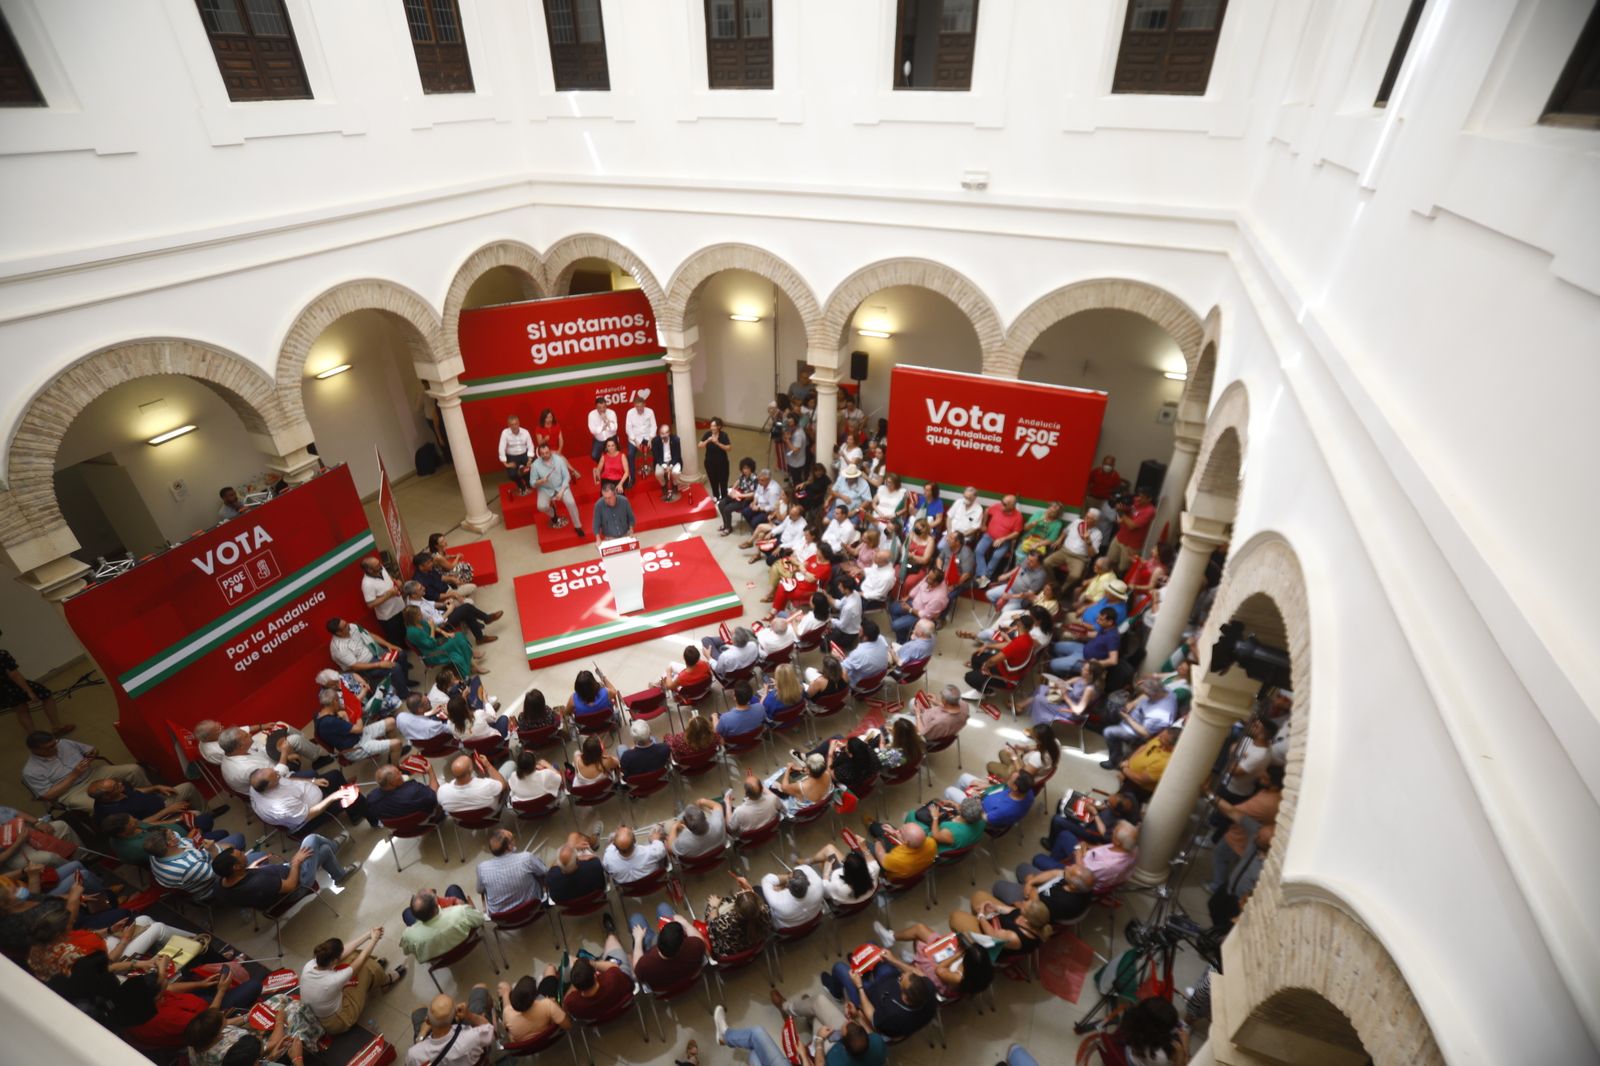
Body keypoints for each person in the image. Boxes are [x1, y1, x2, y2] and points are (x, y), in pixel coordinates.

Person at [210, 834, 358, 909]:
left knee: (324, 850)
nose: (244, 853)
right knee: (312, 839)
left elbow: (242, 883)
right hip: (298, 885)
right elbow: (290, 886)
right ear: (236, 867)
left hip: (276, 883)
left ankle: (339, 874)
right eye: (240, 855)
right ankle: (334, 845)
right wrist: (296, 862)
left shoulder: (221, 883)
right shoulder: (259, 883)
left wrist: (251, 868)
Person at [819, 949, 938, 1040]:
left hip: (867, 998)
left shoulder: (891, 1017)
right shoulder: (927, 988)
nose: (901, 975)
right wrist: (893, 960)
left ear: (904, 997)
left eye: (901, 979)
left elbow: (871, 1015)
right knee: (875, 951)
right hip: (886, 984)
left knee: (839, 967)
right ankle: (862, 968)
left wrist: (859, 986)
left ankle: (835, 992)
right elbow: (917, 973)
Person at [301, 929, 402, 1035]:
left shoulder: (310, 965)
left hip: (316, 1014)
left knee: (352, 955)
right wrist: (374, 940)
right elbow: (361, 960)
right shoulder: (332, 981)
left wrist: (369, 934)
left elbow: (345, 952)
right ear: (334, 961)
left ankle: (377, 974)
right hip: (338, 1021)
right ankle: (385, 981)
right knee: (365, 966)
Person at [22, 733, 150, 812]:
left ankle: (150, 797)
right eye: (48, 748)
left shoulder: (64, 743)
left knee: (134, 770)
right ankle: (128, 820)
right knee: (97, 805)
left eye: (54, 744)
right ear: (34, 750)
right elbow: (48, 796)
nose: (55, 748)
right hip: (71, 792)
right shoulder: (31, 771)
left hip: (94, 774)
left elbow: (93, 750)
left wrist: (92, 755)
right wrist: (74, 775)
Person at [868, 921, 995, 1000]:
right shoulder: (983, 967)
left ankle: (914, 961)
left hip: (940, 980)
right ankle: (891, 937)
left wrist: (959, 954)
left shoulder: (958, 977)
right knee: (919, 929)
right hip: (949, 967)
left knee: (920, 943)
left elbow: (939, 970)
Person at [1207, 765, 1284, 894]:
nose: (1260, 777)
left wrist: (1208, 794)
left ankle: (1218, 887)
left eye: (1265, 778)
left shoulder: (1267, 801)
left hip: (1238, 838)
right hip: (1246, 837)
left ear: (1275, 786)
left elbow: (1233, 812)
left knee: (1220, 858)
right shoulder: (1275, 795)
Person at [145, 826, 259, 900]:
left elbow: (186, 841)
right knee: (259, 856)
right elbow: (220, 871)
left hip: (204, 858)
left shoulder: (156, 852)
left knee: (238, 838)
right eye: (172, 834)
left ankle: (244, 866)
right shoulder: (188, 867)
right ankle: (245, 884)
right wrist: (215, 850)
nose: (175, 834)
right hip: (212, 883)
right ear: (170, 843)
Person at [250, 766, 372, 832]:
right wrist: (333, 796)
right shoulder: (280, 806)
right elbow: (308, 815)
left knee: (335, 775)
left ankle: (354, 813)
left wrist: (312, 781)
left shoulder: (257, 785)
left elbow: (287, 779)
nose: (278, 773)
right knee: (350, 795)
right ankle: (374, 818)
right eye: (276, 775)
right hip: (311, 816)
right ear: (269, 786)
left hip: (307, 794)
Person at [947, 892, 1052, 964]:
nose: (1023, 902)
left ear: (1026, 920)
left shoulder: (1014, 937)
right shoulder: (1033, 920)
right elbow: (1012, 911)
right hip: (997, 925)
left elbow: (991, 934)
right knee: (978, 896)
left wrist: (981, 916)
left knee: (956, 917)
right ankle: (973, 922)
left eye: (1025, 905)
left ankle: (969, 942)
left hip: (991, 941)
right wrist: (996, 908)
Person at [1100, 678, 1180, 768]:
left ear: (1154, 694)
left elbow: (1145, 733)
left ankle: (1114, 761)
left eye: (1147, 694)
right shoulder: (1165, 691)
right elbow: (1144, 695)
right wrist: (1133, 703)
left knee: (1108, 732)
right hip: (1134, 716)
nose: (1145, 695)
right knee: (1112, 706)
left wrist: (1127, 718)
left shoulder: (1160, 715)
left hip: (1136, 730)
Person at [406, 987, 495, 1066]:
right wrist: (468, 1015)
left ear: (427, 1021)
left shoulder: (413, 1054)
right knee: (480, 988)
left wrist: (422, 1034)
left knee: (418, 1009)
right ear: (455, 1017)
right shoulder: (474, 1036)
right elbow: (490, 1029)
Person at [326, 616, 412, 698]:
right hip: (366, 667)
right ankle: (404, 694)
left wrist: (389, 645)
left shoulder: (353, 627)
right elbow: (355, 666)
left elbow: (370, 636)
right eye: (345, 626)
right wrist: (380, 664)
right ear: (339, 633)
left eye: (346, 623)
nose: (349, 625)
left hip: (376, 652)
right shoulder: (339, 648)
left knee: (401, 654)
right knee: (395, 667)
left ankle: (405, 682)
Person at [313, 690, 403, 764]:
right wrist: (358, 712)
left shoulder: (320, 715)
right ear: (334, 702)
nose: (340, 703)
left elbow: (346, 726)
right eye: (338, 700)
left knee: (391, 722)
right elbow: (359, 729)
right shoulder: (331, 722)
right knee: (397, 743)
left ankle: (392, 754)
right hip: (355, 748)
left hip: (357, 736)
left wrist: (344, 714)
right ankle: (394, 770)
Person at [993, 861, 1097, 925]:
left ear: (1073, 886)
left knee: (999, 886)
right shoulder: (1085, 885)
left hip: (1036, 907)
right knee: (1022, 867)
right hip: (1042, 892)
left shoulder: (1059, 901)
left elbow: (1034, 906)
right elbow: (1055, 873)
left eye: (1069, 871)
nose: (1066, 867)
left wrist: (1031, 886)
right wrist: (1031, 881)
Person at [399, 887, 487, 962]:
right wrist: (467, 906)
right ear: (436, 904)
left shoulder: (408, 936)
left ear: (416, 917)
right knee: (453, 888)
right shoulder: (461, 912)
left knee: (406, 913)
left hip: (438, 956)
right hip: (464, 941)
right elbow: (480, 919)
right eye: (435, 895)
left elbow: (407, 951)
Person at [631, 905, 708, 990]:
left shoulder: (645, 964)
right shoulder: (695, 946)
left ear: (657, 943)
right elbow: (700, 940)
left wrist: (638, 939)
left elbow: (637, 971)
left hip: (663, 987)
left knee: (636, 918)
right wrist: (685, 922)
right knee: (663, 907)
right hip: (689, 976)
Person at [563, 936, 636, 1023]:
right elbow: (614, 966)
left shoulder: (572, 1003)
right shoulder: (613, 978)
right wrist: (593, 964)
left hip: (599, 1019)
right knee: (611, 938)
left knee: (569, 959)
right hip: (620, 996)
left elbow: (565, 1001)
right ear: (595, 975)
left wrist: (577, 980)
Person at [476, 828, 548, 915]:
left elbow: (480, 890)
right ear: (509, 846)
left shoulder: (482, 868)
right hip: (533, 909)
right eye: (513, 838)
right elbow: (545, 872)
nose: (514, 840)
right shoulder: (526, 858)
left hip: (503, 919)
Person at [943, 764, 1035, 830]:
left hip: (979, 810)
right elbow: (1004, 787)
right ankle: (958, 800)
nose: (1009, 778)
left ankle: (950, 809)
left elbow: (983, 818)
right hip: (986, 795)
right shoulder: (1027, 790)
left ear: (1015, 787)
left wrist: (976, 799)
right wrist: (987, 786)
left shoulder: (1005, 810)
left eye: (1011, 778)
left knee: (949, 791)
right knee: (964, 777)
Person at [402, 605, 482, 680]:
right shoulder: (412, 632)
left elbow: (434, 627)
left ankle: (470, 663)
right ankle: (470, 667)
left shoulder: (420, 622)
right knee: (456, 646)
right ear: (412, 618)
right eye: (419, 614)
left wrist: (445, 633)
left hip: (436, 644)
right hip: (431, 653)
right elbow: (430, 643)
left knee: (459, 636)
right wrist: (432, 628)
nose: (421, 615)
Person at [705, 871, 772, 958]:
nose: (738, 892)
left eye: (738, 894)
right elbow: (754, 904)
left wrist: (714, 906)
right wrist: (749, 888)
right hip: (753, 947)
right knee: (757, 888)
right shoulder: (766, 912)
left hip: (730, 952)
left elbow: (711, 923)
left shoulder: (725, 922)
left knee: (711, 907)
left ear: (734, 908)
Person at [498, 969, 571, 1045]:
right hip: (548, 1038)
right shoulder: (547, 1005)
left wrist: (506, 993)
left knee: (504, 986)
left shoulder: (508, 1014)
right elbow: (568, 1025)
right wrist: (555, 1005)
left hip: (526, 1047)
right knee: (550, 970)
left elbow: (508, 1033)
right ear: (536, 997)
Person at [1114, 996, 1191, 1066]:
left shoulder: (1133, 1020)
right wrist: (1184, 1051)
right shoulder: (1160, 1057)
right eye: (1170, 1027)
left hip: (1130, 1052)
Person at [530, 441, 586, 535]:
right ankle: (553, 513)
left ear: (550, 451)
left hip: (561, 486)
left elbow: (567, 476)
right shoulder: (535, 465)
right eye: (542, 453)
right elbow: (532, 483)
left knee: (571, 502)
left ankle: (578, 526)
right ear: (539, 454)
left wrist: (562, 491)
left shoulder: (559, 460)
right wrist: (540, 481)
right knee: (541, 507)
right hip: (545, 489)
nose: (545, 455)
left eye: (547, 452)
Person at [365, 762, 444, 823]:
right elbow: (435, 795)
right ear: (393, 783)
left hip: (398, 828)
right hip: (422, 822)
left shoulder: (371, 798)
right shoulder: (414, 790)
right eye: (398, 773)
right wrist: (431, 772)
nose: (401, 773)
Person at [906, 795, 986, 854]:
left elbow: (936, 835)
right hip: (964, 841)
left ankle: (908, 839)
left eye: (960, 806)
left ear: (962, 813)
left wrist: (935, 817)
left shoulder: (951, 830)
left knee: (912, 814)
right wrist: (953, 803)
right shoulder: (981, 822)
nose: (959, 806)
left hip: (939, 849)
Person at [974, 495, 1026, 584]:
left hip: (1005, 540)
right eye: (1002, 502)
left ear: (1012, 506)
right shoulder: (998, 506)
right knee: (978, 551)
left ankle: (986, 576)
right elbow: (987, 510)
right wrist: (984, 524)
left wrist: (1003, 539)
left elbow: (1016, 533)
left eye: (1005, 504)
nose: (1002, 505)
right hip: (989, 535)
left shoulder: (1018, 516)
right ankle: (983, 575)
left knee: (996, 556)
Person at [357, 556, 408, 647]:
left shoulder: (381, 568)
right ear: (370, 570)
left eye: (379, 563)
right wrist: (388, 595)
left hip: (400, 607)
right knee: (397, 640)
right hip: (389, 617)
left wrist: (396, 582)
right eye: (377, 565)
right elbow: (370, 604)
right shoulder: (367, 584)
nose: (381, 565)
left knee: (406, 632)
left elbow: (389, 578)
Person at [436, 752, 509, 815]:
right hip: (491, 814)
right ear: (471, 769)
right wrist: (488, 765)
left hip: (463, 821)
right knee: (510, 764)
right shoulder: (486, 785)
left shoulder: (442, 791)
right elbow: (503, 785)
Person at [865, 820, 936, 882]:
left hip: (893, 874)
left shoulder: (897, 859)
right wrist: (895, 833)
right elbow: (909, 843)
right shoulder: (931, 842)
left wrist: (878, 840)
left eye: (900, 831)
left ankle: (871, 826)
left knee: (866, 845)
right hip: (915, 869)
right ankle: (874, 825)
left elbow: (880, 855)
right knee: (885, 828)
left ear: (906, 842)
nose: (898, 830)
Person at [888, 571, 948, 644]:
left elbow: (926, 614)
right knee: (892, 608)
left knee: (895, 625)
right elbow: (918, 587)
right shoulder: (929, 578)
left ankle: (902, 640)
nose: (926, 579)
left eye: (929, 579)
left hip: (921, 616)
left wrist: (909, 609)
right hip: (913, 604)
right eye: (928, 576)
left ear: (936, 583)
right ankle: (904, 632)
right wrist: (908, 596)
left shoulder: (938, 598)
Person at [546, 832, 606, 904]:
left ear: (559, 865)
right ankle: (593, 842)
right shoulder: (593, 865)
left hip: (571, 907)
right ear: (578, 859)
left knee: (572, 838)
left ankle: (590, 842)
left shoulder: (551, 876)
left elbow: (554, 866)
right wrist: (573, 847)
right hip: (596, 897)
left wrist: (572, 847)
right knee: (574, 835)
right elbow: (594, 858)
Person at [1078, 821, 1141, 890]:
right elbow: (1104, 849)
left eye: (1115, 831)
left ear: (1118, 842)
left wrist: (1078, 852)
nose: (1112, 831)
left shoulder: (1108, 865)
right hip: (1086, 855)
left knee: (1069, 833)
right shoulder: (1131, 848)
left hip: (1081, 872)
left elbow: (1083, 873)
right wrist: (1087, 846)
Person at [988, 721, 1060, 780]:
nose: (1033, 739)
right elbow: (1039, 746)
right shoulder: (1055, 742)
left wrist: (1014, 757)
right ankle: (1004, 771)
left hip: (1021, 774)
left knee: (990, 765)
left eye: (1035, 739)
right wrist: (1024, 748)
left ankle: (1004, 780)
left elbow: (1023, 776)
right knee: (1002, 753)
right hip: (1024, 763)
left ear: (1040, 741)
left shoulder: (1038, 758)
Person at [1108, 488, 1156, 572]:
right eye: (1138, 496)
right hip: (1119, 538)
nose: (1138, 498)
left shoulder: (1150, 511)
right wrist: (1119, 505)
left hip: (1131, 546)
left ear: (1149, 499)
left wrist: (1121, 512)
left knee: (1122, 569)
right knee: (1109, 562)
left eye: (1142, 497)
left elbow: (1132, 525)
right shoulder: (1135, 500)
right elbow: (1123, 507)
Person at [602, 824, 668, 885]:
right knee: (656, 829)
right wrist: (655, 839)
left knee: (611, 836)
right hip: (653, 879)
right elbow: (661, 849)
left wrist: (616, 838)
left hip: (630, 887)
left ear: (614, 845)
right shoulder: (651, 852)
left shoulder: (608, 859)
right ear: (635, 840)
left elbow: (607, 867)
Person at [718, 458, 762, 536]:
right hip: (738, 494)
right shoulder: (742, 475)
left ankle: (728, 528)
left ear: (751, 468)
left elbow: (754, 493)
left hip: (745, 499)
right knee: (721, 504)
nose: (745, 470)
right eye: (744, 468)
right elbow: (738, 481)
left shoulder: (755, 478)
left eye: (747, 468)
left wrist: (741, 495)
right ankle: (726, 524)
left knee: (727, 509)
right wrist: (732, 490)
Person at [841, 619, 889, 686]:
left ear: (865, 638)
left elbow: (841, 669)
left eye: (860, 631)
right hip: (877, 675)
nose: (858, 632)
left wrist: (837, 659)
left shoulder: (858, 653)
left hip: (859, 682)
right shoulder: (881, 638)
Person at [498, 414, 535, 495]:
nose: (514, 426)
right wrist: (506, 464)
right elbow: (501, 449)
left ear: (519, 423)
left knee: (532, 468)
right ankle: (521, 486)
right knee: (512, 474)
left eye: (516, 424)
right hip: (512, 457)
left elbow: (530, 446)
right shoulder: (505, 433)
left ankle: (528, 484)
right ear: (509, 425)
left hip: (524, 455)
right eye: (512, 425)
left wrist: (530, 459)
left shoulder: (525, 432)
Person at [698, 416, 733, 499]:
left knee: (723, 482)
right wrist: (707, 440)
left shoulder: (723, 435)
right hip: (710, 463)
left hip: (722, 463)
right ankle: (716, 497)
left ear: (719, 426)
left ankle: (724, 499)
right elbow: (699, 445)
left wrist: (717, 443)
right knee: (713, 482)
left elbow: (729, 448)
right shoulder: (708, 434)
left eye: (714, 426)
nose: (712, 428)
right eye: (711, 426)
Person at [650, 420, 685, 500]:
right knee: (658, 473)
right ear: (659, 433)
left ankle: (675, 484)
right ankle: (664, 485)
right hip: (661, 462)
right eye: (662, 433)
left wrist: (671, 465)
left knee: (676, 472)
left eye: (666, 433)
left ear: (669, 433)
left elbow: (677, 455)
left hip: (674, 461)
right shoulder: (655, 441)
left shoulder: (676, 439)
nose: (664, 435)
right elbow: (656, 456)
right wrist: (665, 466)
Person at [625, 394, 657, 471]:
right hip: (635, 439)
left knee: (657, 451)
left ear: (644, 405)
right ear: (634, 406)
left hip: (648, 437)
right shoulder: (630, 413)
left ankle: (656, 469)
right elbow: (628, 428)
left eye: (641, 406)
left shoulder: (650, 411)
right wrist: (635, 441)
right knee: (630, 455)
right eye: (637, 406)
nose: (639, 408)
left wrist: (650, 439)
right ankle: (632, 475)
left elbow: (654, 426)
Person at [586, 396, 618, 462]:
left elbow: (614, 428)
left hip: (611, 438)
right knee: (594, 455)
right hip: (599, 439)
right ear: (596, 407)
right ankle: (603, 465)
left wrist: (606, 420)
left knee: (615, 456)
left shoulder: (611, 413)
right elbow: (592, 430)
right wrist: (602, 427)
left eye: (604, 407)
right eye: (599, 407)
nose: (602, 409)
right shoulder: (591, 415)